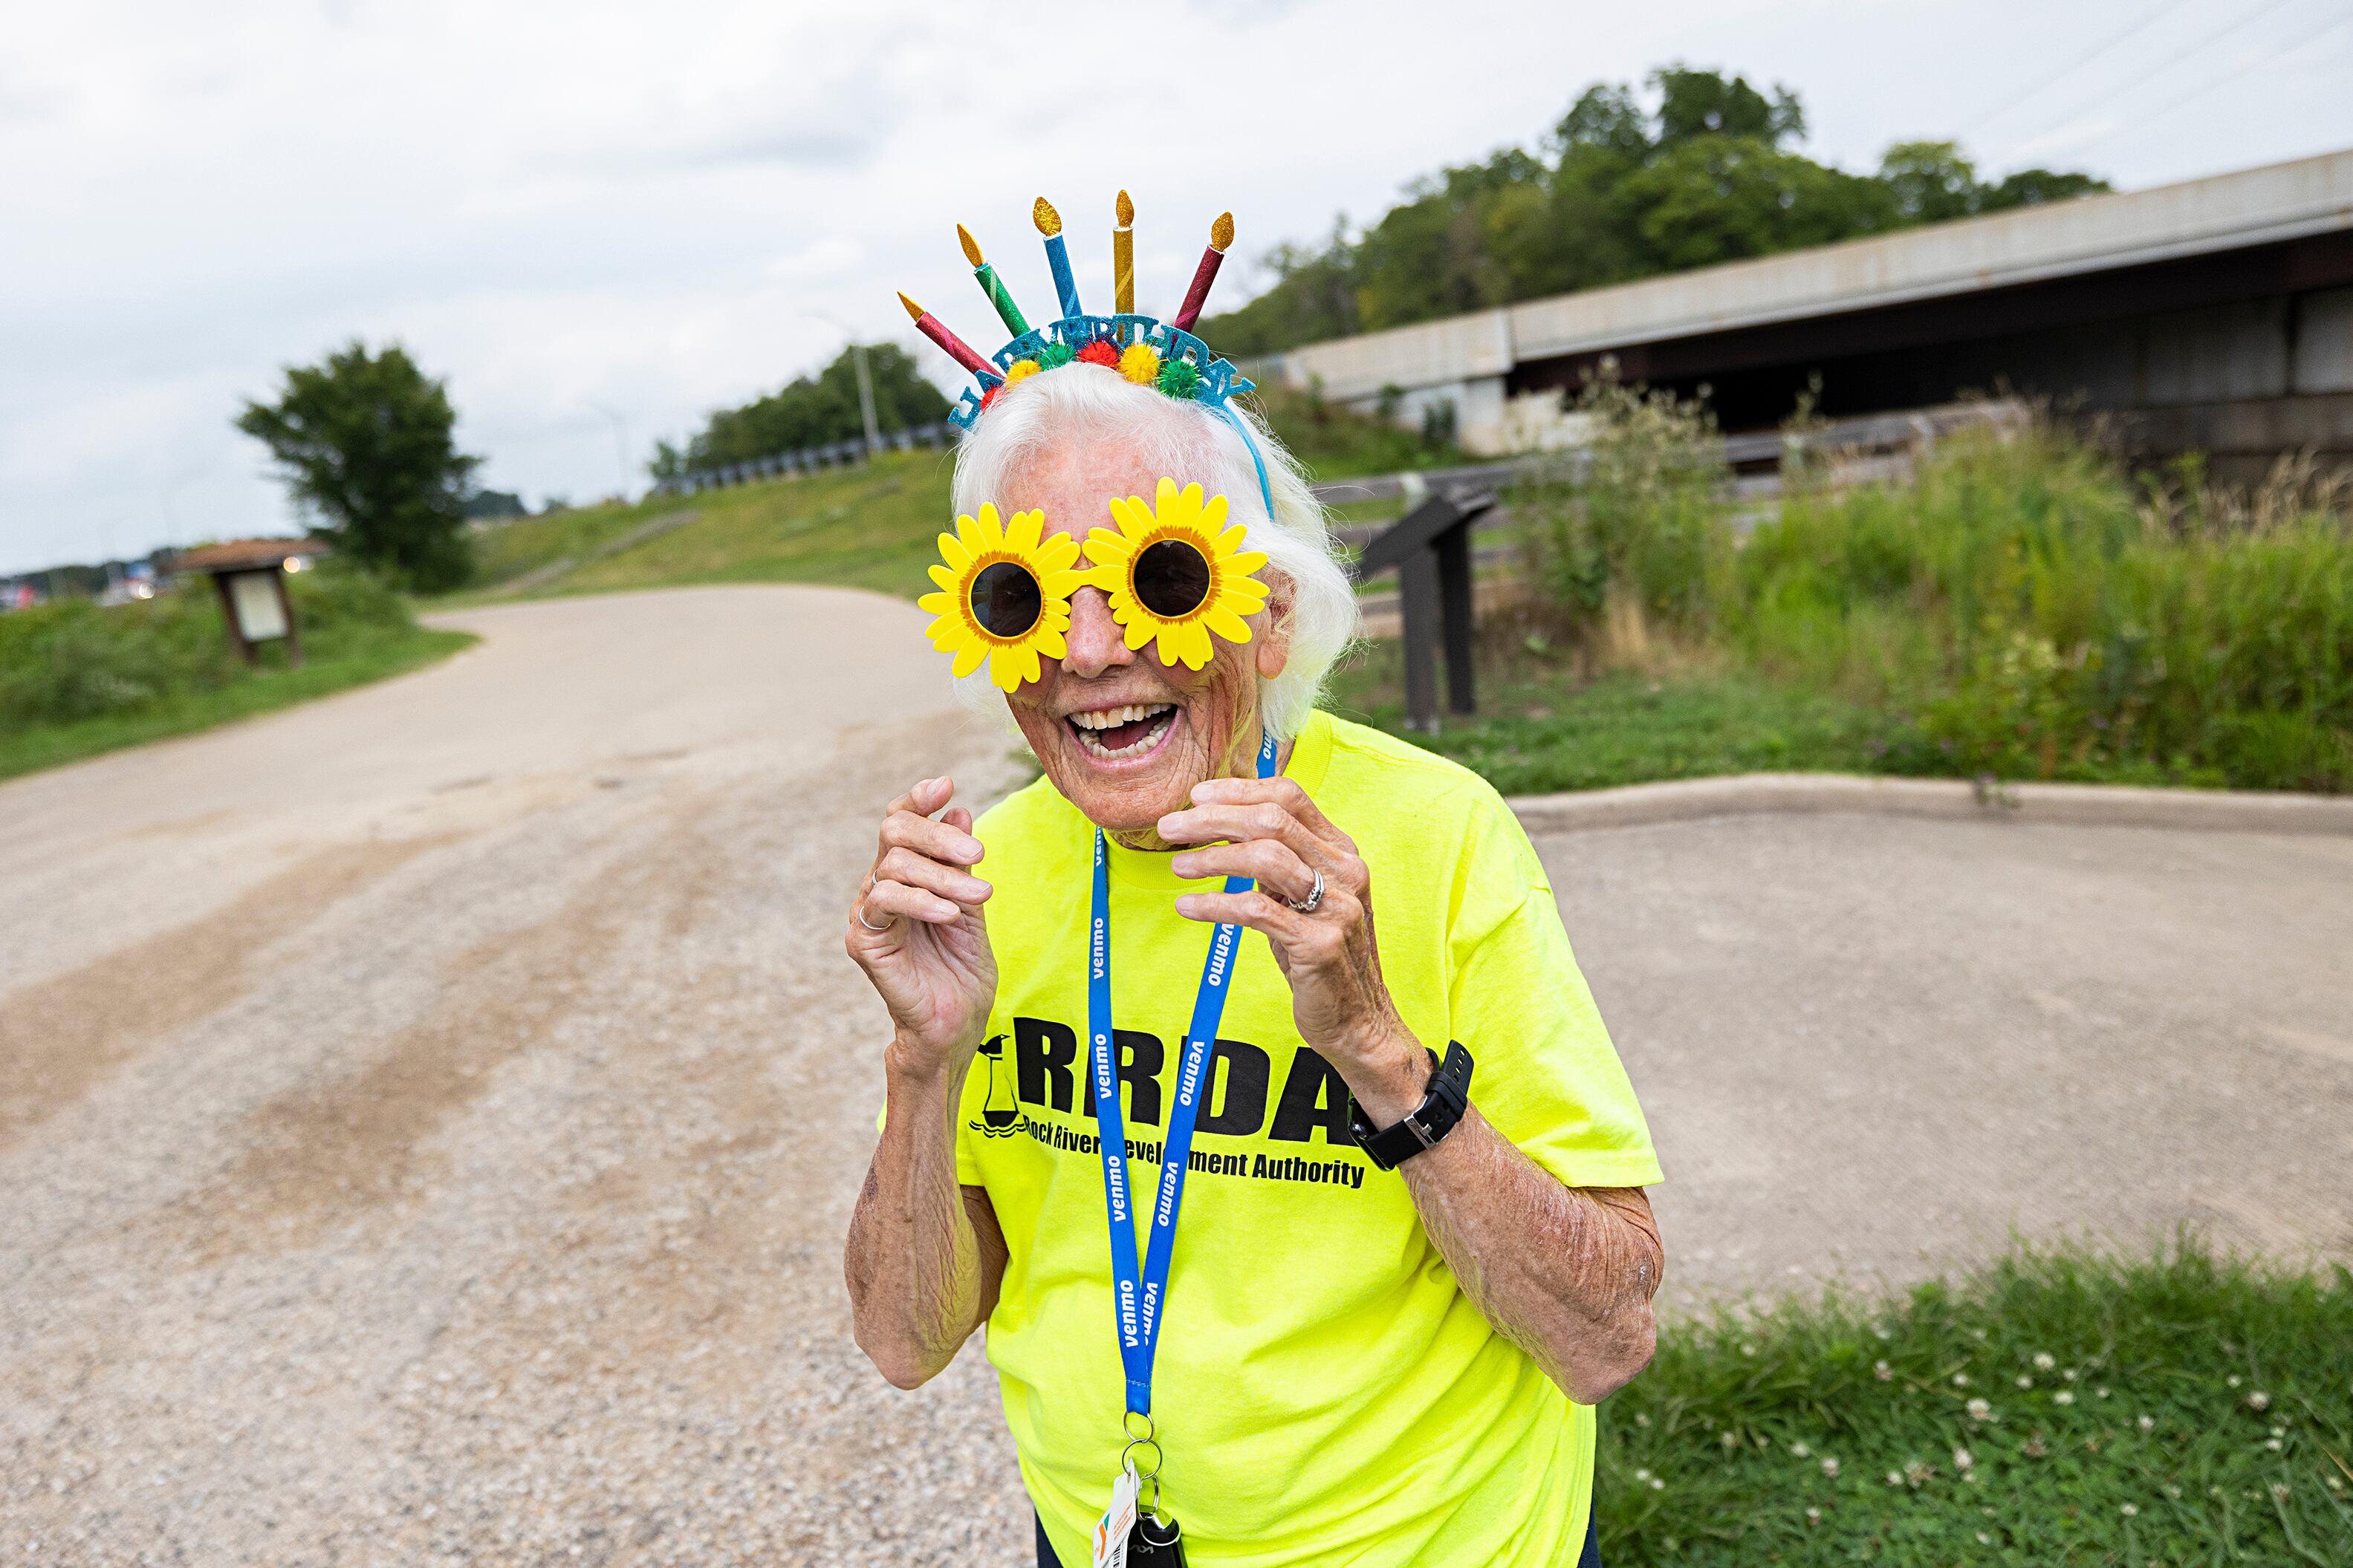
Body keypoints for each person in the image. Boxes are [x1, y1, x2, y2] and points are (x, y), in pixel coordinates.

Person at [844, 199, 1664, 1568]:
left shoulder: (1439, 835)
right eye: (1026, 596)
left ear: (1273, 610)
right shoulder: (992, 880)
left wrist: (1377, 1049)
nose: (1091, 651)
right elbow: (900, 1340)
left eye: (1158, 578)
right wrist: (923, 1064)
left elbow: (1607, 1335)